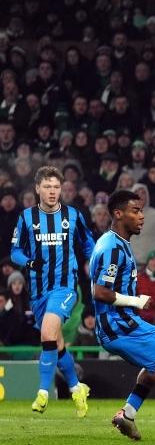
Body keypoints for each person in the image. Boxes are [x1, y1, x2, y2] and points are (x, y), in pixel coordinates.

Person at [90, 190, 155, 443]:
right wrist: (135, 301)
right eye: (135, 211)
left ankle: (127, 414)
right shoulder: (113, 248)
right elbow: (100, 292)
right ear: (118, 214)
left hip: (116, 325)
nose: (142, 216)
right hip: (119, 325)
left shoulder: (115, 243)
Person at [9, 166, 95, 416]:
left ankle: (43, 393)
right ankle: (77, 388)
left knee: (47, 332)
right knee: (55, 342)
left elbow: (88, 244)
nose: (52, 191)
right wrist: (29, 262)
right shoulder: (26, 218)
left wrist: (95, 262)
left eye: (56, 187)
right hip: (38, 292)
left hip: (65, 287)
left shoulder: (73, 215)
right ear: (37, 188)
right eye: (47, 186)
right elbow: (15, 251)